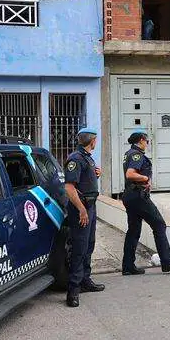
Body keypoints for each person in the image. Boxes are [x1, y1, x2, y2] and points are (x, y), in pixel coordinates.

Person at [121, 130, 170, 275]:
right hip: (138, 196)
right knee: (159, 224)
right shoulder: (136, 154)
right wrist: (145, 179)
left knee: (133, 231)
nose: (148, 144)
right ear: (142, 140)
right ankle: (167, 262)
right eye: (147, 141)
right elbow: (130, 174)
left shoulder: (129, 153)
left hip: (130, 195)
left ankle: (128, 266)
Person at [64, 127, 105, 308]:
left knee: (89, 244)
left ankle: (85, 281)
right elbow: (69, 188)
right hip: (81, 209)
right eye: (96, 139)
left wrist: (95, 174)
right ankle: (73, 291)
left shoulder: (87, 158)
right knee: (79, 248)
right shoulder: (75, 158)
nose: (96, 142)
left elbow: (83, 179)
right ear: (92, 141)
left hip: (90, 206)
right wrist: (81, 209)